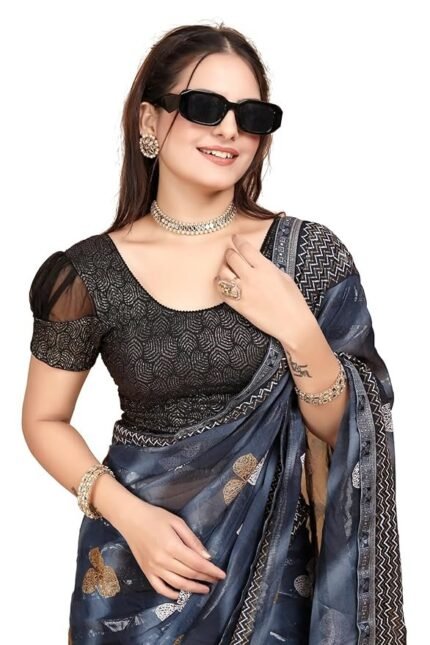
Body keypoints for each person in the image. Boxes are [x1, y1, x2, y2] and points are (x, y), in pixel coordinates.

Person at [22, 22, 406, 644]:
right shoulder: (86, 274)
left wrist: (297, 327)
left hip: (278, 583)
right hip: (133, 575)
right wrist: (131, 517)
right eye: (205, 107)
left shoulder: (306, 257)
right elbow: (43, 420)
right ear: (149, 120)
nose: (230, 130)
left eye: (251, 116)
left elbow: (350, 431)